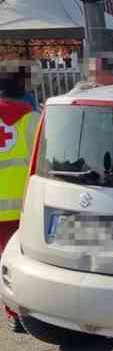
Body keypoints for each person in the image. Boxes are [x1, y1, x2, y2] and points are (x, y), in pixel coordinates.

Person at [0, 64, 41, 334]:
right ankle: (23, 312)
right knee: (23, 264)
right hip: (25, 207)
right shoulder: (34, 119)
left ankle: (13, 310)